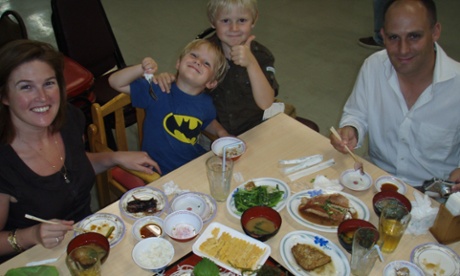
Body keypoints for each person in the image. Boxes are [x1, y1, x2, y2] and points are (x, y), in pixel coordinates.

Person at [0, 40, 160, 262]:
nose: (43, 98)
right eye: (26, 87)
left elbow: (75, 166)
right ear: (4, 96)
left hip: (88, 241)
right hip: (36, 259)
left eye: (49, 83)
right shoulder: (4, 163)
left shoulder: (68, 119)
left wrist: (114, 157)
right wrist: (32, 235)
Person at [331, 0, 460, 190]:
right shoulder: (373, 66)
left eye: (414, 36)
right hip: (376, 180)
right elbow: (356, 114)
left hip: (434, 196)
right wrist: (352, 129)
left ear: (435, 32)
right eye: (393, 38)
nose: (403, 49)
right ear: (382, 35)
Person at [157, 0, 278, 136]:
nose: (234, 28)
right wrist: (168, 79)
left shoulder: (262, 56)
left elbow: (266, 103)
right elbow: (184, 84)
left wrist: (251, 64)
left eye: (242, 20)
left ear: (254, 20)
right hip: (210, 131)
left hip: (254, 130)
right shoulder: (201, 52)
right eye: (225, 20)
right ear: (213, 21)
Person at [109, 39, 229, 175]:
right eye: (194, 55)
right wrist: (141, 69)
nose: (198, 62)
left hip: (193, 166)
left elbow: (207, 121)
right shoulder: (157, 89)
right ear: (178, 63)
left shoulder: (206, 103)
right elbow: (115, 82)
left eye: (206, 63)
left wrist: (222, 133)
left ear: (211, 83)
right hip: (159, 172)